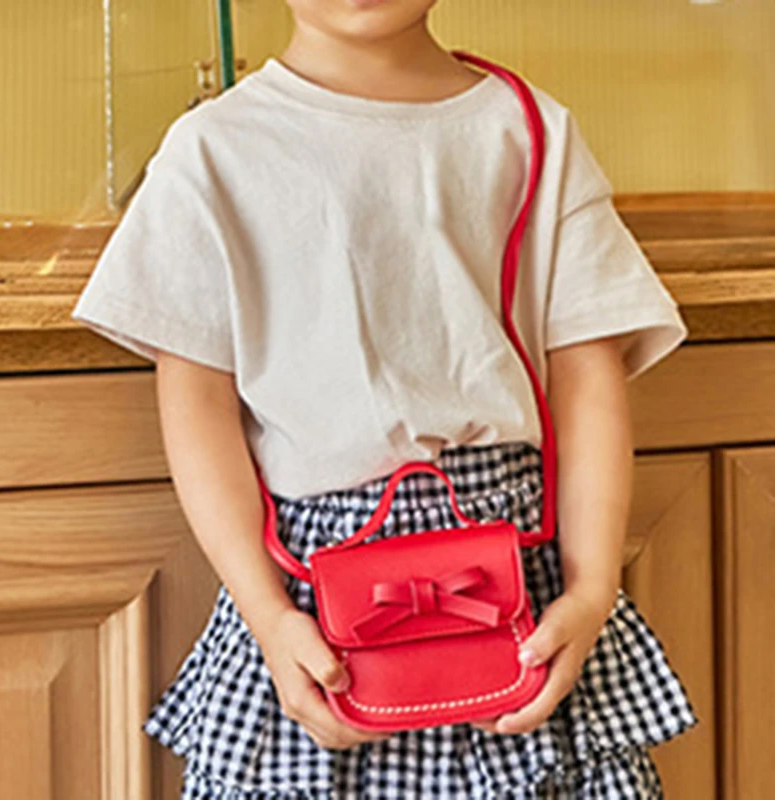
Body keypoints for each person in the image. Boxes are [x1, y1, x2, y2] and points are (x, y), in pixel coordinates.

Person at [71, 1, 697, 796]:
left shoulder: (531, 130)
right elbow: (196, 407)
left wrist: (592, 589)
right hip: (309, 599)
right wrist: (268, 616)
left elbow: (587, 375)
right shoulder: (213, 149)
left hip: (523, 580)